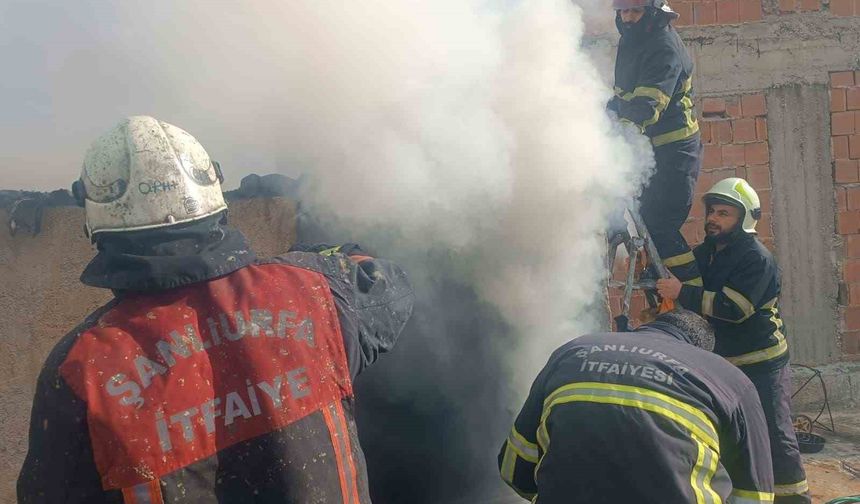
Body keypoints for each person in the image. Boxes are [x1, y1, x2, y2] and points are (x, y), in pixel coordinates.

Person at [17, 116, 414, 504]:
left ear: (94, 220)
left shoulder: (83, 369)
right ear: (212, 192)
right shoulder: (314, 290)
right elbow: (389, 289)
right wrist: (316, 260)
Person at [498, 309, 774, 503]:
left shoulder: (573, 350)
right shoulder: (727, 378)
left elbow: (513, 466)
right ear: (701, 350)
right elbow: (755, 495)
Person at [657, 177, 810, 503]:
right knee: (730, 436)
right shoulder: (709, 253)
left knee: (773, 434)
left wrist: (682, 292)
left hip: (760, 363)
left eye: (724, 213)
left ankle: (793, 498)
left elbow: (733, 308)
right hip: (724, 364)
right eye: (712, 212)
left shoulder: (756, 258)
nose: (713, 219)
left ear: (744, 219)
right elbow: (680, 271)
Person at [608, 0, 702, 286]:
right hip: (650, 148)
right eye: (623, 11)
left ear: (652, 13)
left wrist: (618, 140)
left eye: (635, 11)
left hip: (675, 153)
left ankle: (689, 292)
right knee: (643, 217)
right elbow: (624, 97)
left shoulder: (663, 47)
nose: (628, 18)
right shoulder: (632, 40)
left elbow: (648, 104)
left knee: (659, 225)